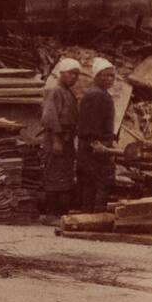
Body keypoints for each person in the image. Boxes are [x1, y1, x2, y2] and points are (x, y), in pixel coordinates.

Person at [41, 57, 81, 223]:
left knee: (64, 175)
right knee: (54, 174)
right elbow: (50, 117)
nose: (74, 77)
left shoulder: (67, 92)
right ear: (62, 73)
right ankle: (51, 213)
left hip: (67, 139)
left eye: (76, 75)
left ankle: (61, 213)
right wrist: (57, 140)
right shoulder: (54, 90)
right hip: (55, 138)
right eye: (71, 73)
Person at [77, 58, 118, 213]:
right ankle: (95, 217)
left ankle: (89, 215)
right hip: (95, 148)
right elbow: (90, 123)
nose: (109, 79)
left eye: (112, 76)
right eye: (105, 75)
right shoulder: (96, 95)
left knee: (91, 183)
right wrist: (96, 143)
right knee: (101, 181)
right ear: (96, 76)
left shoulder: (100, 94)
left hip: (95, 146)